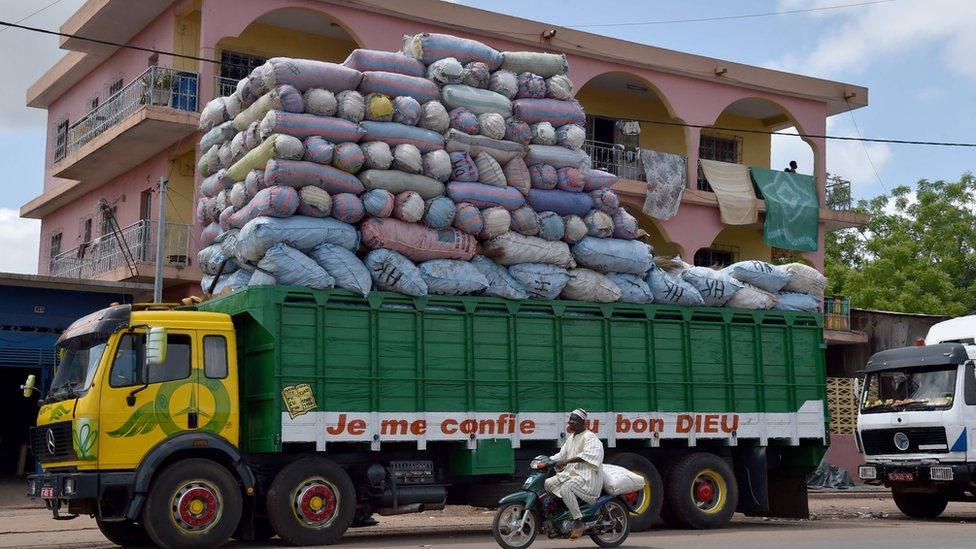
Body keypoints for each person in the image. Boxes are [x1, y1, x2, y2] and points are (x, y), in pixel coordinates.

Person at [538, 409, 604, 539]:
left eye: (574, 420)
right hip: (572, 476)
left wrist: (566, 461)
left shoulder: (590, 438)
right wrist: (546, 461)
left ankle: (578, 522)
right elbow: (560, 455)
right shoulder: (571, 438)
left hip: (587, 479)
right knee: (546, 484)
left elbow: (587, 456)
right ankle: (561, 516)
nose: (570, 422)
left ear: (582, 422)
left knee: (566, 488)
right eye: (570, 419)